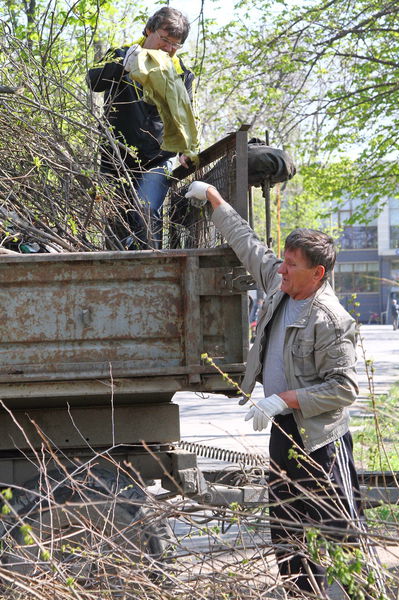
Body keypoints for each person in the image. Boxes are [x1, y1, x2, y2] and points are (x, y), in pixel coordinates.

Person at [185, 181, 383, 598]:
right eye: (284, 262)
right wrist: (216, 200)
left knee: (337, 530)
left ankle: (360, 592)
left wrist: (285, 399)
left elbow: (344, 388)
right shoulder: (281, 286)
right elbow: (249, 245)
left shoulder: (331, 320)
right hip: (285, 433)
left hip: (320, 442)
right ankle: (301, 594)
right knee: (288, 531)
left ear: (318, 273)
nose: (281, 269)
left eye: (291, 264)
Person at [87, 7, 195, 250]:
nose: (168, 48)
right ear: (149, 31)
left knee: (146, 210)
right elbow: (93, 81)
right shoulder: (121, 54)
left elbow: (185, 119)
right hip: (116, 159)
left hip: (157, 160)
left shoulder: (182, 74)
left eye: (175, 44)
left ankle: (153, 271)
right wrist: (122, 66)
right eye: (164, 39)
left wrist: (186, 149)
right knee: (116, 221)